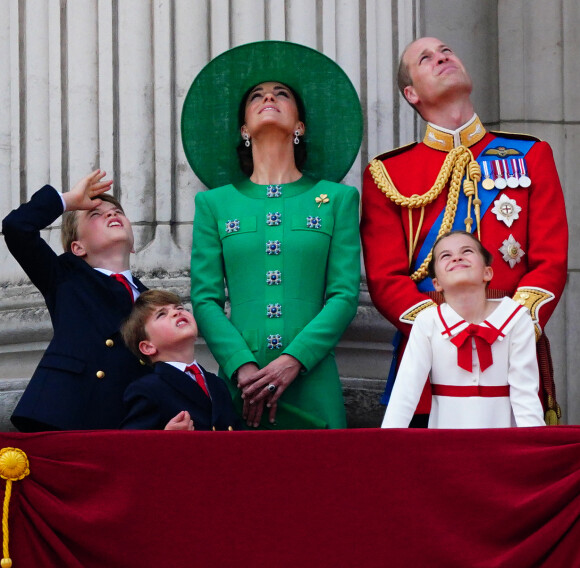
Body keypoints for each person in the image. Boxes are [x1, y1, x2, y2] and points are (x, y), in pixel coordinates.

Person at [361, 37, 568, 426]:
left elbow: (551, 259)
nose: (442, 57)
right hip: (428, 367)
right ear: (411, 93)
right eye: (426, 58)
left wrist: (507, 328)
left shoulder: (530, 155)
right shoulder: (387, 173)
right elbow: (385, 277)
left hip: (514, 355)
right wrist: (443, 331)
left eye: (447, 51)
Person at [181, 41, 363, 429]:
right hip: (241, 386)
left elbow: (344, 294)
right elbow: (206, 298)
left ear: (300, 126)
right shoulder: (215, 204)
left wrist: (294, 359)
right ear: (244, 128)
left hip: (312, 379)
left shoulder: (337, 199)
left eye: (282, 93)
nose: (269, 97)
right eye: (256, 96)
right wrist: (240, 365)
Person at [2, 170, 150, 431]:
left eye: (118, 212)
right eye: (95, 213)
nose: (112, 214)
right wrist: (68, 200)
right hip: (64, 412)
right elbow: (17, 227)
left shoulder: (152, 301)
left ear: (133, 245)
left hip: (126, 422)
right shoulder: (65, 277)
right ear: (77, 247)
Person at [382, 231, 545, 428]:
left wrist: (535, 449)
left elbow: (525, 395)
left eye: (467, 251)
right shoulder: (427, 322)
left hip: (503, 444)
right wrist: (388, 445)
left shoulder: (517, 319)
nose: (457, 257)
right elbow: (405, 392)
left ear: (487, 272)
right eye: (445, 256)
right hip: (445, 445)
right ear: (437, 283)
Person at [119, 290, 242, 431]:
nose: (176, 312)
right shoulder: (147, 389)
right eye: (161, 314)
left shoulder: (217, 384)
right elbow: (130, 446)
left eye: (179, 308)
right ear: (148, 347)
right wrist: (166, 438)